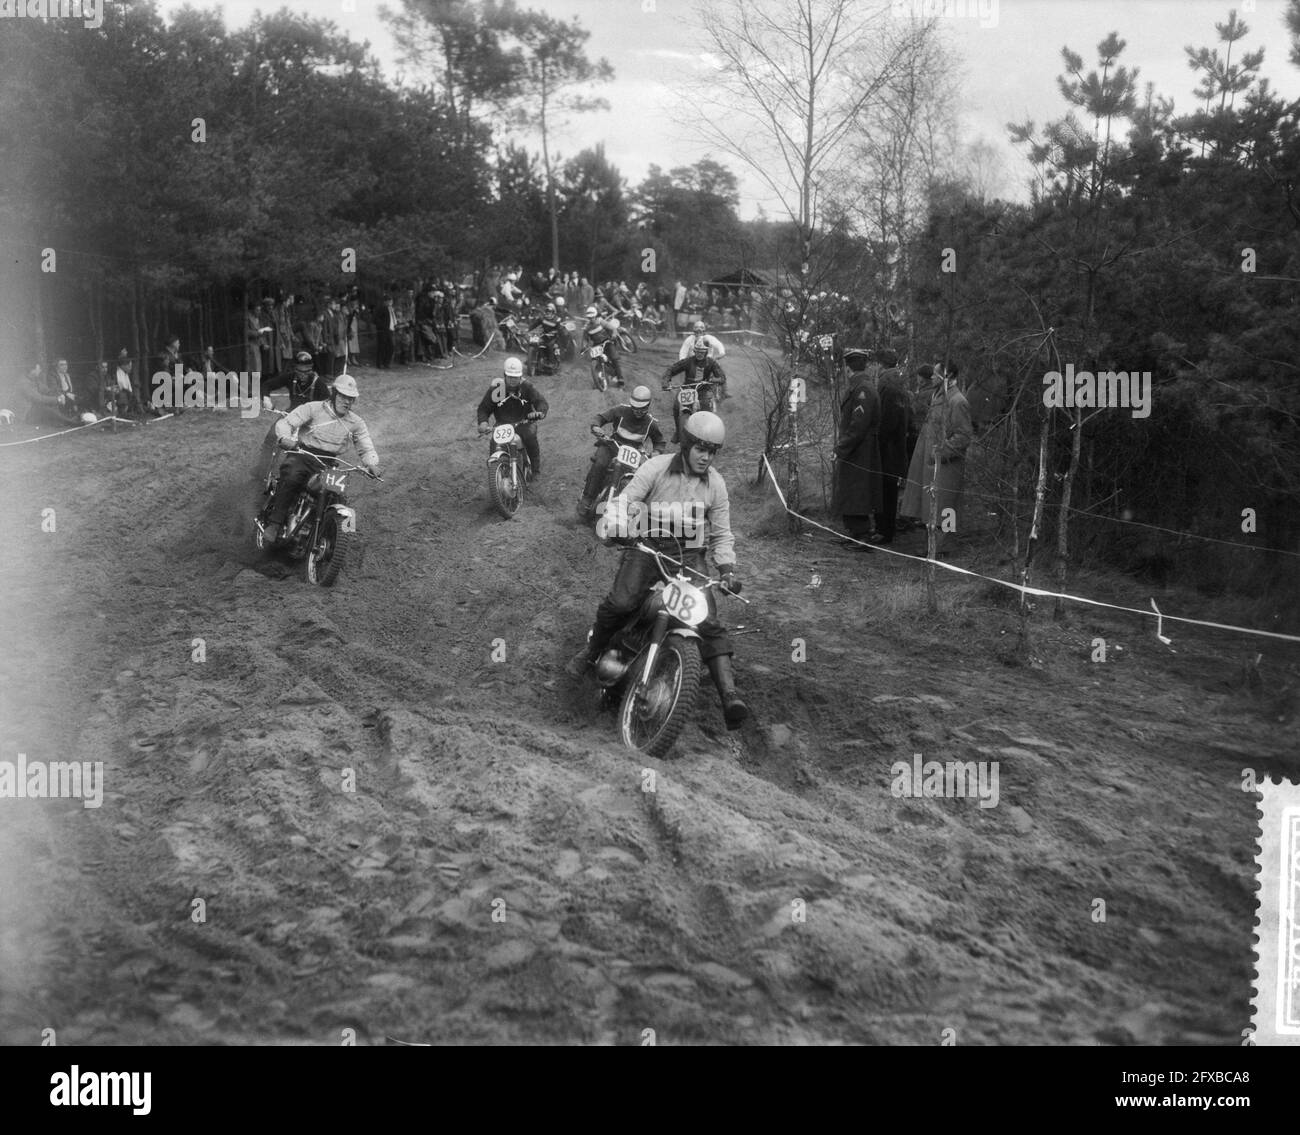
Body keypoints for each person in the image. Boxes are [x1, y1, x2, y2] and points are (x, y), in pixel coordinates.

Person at [566, 410, 749, 729]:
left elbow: (722, 533)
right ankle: (591, 652)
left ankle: (729, 696)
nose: (706, 457)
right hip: (648, 546)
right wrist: (618, 527)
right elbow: (622, 503)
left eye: (712, 451)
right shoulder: (656, 467)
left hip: (690, 556)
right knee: (622, 603)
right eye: (701, 449)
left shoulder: (716, 485)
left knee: (707, 620)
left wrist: (727, 569)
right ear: (687, 444)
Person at [262, 372, 381, 545]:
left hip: (328, 462)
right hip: (303, 454)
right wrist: (284, 438)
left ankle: (340, 540)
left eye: (351, 398)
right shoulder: (314, 407)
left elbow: (366, 445)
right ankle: (275, 523)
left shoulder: (356, 422)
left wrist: (372, 463)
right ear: (334, 394)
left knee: (340, 496)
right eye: (343, 396)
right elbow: (287, 422)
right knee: (292, 476)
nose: (347, 401)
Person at [900, 362, 973, 554]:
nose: (931, 377)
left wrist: (940, 452)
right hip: (931, 465)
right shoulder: (940, 396)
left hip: (946, 467)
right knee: (932, 508)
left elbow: (964, 436)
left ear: (945, 377)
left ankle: (943, 548)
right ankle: (935, 547)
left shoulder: (958, 401)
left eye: (935, 375)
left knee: (946, 507)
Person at [577, 385, 667, 519]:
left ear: (648, 406)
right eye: (635, 407)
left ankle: (627, 511)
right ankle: (587, 498)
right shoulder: (620, 410)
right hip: (613, 446)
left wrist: (656, 452)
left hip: (634, 454)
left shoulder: (651, 423)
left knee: (638, 478)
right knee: (600, 463)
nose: (637, 411)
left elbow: (660, 441)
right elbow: (600, 417)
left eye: (641, 408)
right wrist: (596, 426)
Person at [831, 348, 883, 549]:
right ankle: (854, 532)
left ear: (847, 368)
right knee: (851, 491)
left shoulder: (863, 390)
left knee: (859, 493)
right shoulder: (859, 386)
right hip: (855, 449)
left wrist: (840, 448)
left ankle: (862, 536)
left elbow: (858, 426)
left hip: (861, 450)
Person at [476, 357, 547, 479]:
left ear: (520, 376)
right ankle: (495, 473)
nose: (513, 380)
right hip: (502, 424)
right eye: (510, 377)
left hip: (524, 422)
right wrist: (483, 422)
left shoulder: (527, 387)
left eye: (516, 377)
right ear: (504, 375)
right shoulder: (496, 389)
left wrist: (539, 412)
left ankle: (535, 470)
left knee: (529, 437)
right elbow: (483, 408)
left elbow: (541, 402)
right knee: (495, 443)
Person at [875, 349, 910, 544]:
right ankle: (885, 528)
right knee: (889, 491)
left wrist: (878, 440)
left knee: (886, 491)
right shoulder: (898, 381)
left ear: (881, 364)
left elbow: (888, 420)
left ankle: (884, 531)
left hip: (888, 450)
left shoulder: (888, 384)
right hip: (895, 448)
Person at [662, 338, 725, 443]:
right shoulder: (688, 361)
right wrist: (666, 381)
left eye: (702, 351)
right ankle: (678, 432)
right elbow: (672, 369)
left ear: (706, 352)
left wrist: (712, 380)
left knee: (706, 411)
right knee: (676, 406)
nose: (699, 354)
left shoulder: (711, 363)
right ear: (694, 351)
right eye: (697, 351)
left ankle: (708, 436)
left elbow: (722, 377)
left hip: (703, 390)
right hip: (687, 388)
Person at [679, 321, 729, 399]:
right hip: (694, 363)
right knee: (689, 380)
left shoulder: (709, 338)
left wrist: (721, 354)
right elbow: (683, 351)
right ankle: (685, 396)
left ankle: (724, 391)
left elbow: (719, 345)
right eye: (696, 327)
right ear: (693, 329)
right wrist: (682, 361)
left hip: (709, 362)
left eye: (701, 327)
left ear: (704, 329)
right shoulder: (689, 339)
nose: (699, 329)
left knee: (720, 372)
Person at [581, 305, 625, 387]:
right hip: (597, 345)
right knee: (595, 361)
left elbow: (613, 329)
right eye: (589, 318)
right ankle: (598, 380)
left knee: (614, 359)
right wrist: (584, 346)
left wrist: (614, 335)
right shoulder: (586, 327)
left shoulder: (601, 321)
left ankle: (620, 380)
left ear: (595, 315)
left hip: (607, 342)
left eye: (592, 317)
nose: (591, 319)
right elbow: (585, 339)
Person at [527, 302, 563, 371]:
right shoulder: (542, 318)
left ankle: (551, 362)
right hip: (544, 335)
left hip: (554, 337)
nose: (548, 312)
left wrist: (556, 333)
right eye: (547, 311)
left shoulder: (557, 320)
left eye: (550, 311)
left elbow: (560, 330)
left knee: (549, 346)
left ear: (553, 312)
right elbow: (534, 324)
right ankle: (530, 358)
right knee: (533, 342)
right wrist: (528, 330)